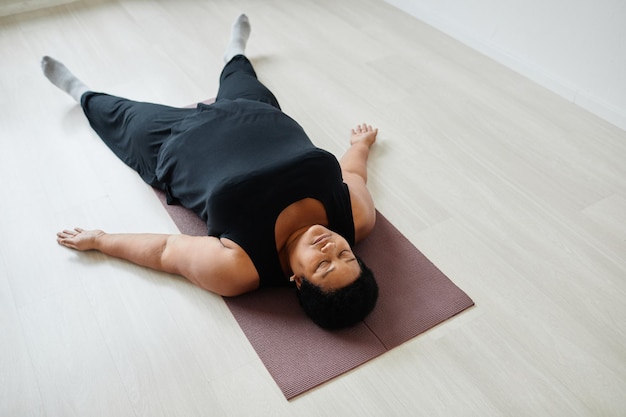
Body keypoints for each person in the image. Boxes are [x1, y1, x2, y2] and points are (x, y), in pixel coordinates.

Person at [44, 14, 378, 329]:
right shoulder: (357, 218)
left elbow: (166, 252)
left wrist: (101, 241)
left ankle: (80, 91)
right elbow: (354, 176)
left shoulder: (239, 269)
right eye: (344, 254)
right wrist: (360, 145)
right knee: (241, 75)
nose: (329, 247)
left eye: (323, 265)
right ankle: (234, 51)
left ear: (299, 281)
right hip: (253, 110)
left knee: (119, 115)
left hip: (174, 142)